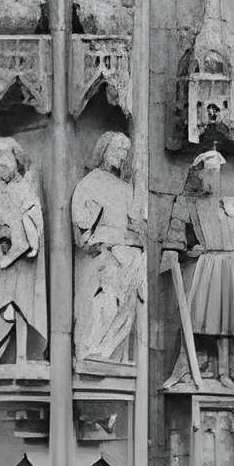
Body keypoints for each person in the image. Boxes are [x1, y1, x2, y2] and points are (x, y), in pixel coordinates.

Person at [162, 148, 234, 381]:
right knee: (199, 316)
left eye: (217, 171)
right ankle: (192, 366)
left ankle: (225, 373)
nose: (213, 176)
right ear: (199, 174)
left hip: (232, 265)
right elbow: (176, 232)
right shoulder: (190, 203)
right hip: (208, 265)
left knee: (229, 320)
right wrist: (177, 251)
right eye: (209, 171)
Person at [71, 131, 145, 365]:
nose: (122, 155)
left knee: (128, 308)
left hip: (128, 255)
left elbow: (135, 223)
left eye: (125, 151)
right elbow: (82, 226)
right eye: (117, 149)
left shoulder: (125, 188)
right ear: (104, 150)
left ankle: (113, 355)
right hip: (103, 255)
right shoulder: (90, 183)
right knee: (106, 302)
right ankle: (93, 351)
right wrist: (102, 242)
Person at [0, 138, 47, 374]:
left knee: (16, 310)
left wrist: (13, 250)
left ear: (16, 160)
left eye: (5, 159)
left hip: (20, 267)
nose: (0, 165)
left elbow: (31, 231)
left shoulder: (24, 189)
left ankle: (21, 359)